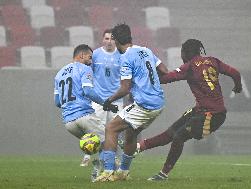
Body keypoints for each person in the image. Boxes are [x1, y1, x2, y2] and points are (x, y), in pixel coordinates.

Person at [136, 39, 243, 181]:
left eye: (182, 52)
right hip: (203, 111)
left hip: (212, 116)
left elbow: (166, 79)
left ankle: (163, 174)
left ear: (185, 53)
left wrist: (149, 71)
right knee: (171, 133)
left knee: (178, 136)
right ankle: (137, 147)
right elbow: (235, 73)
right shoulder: (213, 61)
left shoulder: (190, 66)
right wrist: (238, 87)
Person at [95, 23, 168, 182]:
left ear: (115, 40)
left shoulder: (125, 58)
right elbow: (164, 70)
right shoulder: (145, 50)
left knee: (111, 128)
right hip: (158, 103)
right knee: (131, 133)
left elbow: (125, 88)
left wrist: (108, 100)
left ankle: (108, 173)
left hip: (145, 105)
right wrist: (150, 83)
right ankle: (123, 171)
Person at [53, 44, 118, 182]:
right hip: (84, 116)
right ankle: (103, 172)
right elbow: (88, 91)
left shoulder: (59, 74)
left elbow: (57, 102)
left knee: (98, 144)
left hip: (69, 123)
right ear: (81, 55)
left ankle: (103, 168)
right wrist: (105, 103)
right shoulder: (84, 69)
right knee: (109, 141)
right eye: (90, 57)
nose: (91, 61)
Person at [80, 28, 123, 167]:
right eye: (106, 38)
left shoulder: (121, 55)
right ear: (102, 39)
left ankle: (112, 158)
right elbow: (88, 73)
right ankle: (88, 154)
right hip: (99, 100)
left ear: (115, 40)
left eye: (111, 39)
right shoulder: (96, 54)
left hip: (116, 100)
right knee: (96, 129)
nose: (109, 41)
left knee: (114, 131)